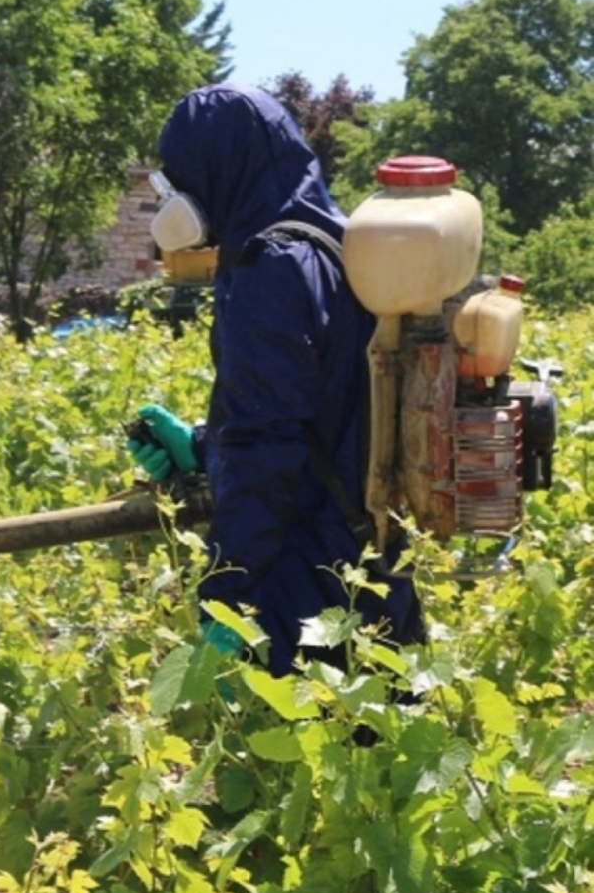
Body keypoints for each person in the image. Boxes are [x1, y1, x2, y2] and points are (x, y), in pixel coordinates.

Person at [129, 83, 425, 678]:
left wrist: (226, 592)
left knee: (303, 759)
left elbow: (269, 450)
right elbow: (324, 412)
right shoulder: (332, 244)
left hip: (308, 578)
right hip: (375, 560)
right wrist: (205, 448)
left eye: (179, 180)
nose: (178, 200)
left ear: (218, 168)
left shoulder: (272, 267)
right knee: (386, 751)